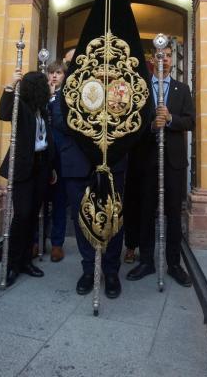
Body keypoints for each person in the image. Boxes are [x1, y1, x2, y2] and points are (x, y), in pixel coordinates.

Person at [51, 78, 127, 298]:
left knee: (114, 217)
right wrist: (90, 124)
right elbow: (58, 118)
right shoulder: (69, 84)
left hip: (111, 161)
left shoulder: (118, 82)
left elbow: (129, 116)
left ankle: (111, 271)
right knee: (81, 218)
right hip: (77, 161)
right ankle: (88, 269)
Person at [126, 45, 195, 287]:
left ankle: (174, 264)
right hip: (146, 160)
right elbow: (132, 122)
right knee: (146, 212)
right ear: (152, 60)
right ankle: (146, 261)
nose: (163, 60)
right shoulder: (141, 89)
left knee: (173, 214)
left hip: (174, 163)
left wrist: (171, 119)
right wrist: (153, 126)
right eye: (159, 56)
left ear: (172, 60)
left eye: (167, 55)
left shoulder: (182, 89)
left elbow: (191, 120)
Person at [0, 69, 54, 287]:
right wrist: (10, 86)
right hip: (23, 166)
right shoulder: (21, 107)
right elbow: (3, 113)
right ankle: (11, 263)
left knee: (33, 216)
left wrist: (51, 167)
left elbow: (47, 140)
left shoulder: (43, 109)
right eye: (46, 84)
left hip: (41, 166)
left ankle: (26, 261)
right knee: (21, 215)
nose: (50, 87)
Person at [45, 60, 69, 262]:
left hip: (60, 155)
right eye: (51, 72)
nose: (54, 76)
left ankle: (57, 243)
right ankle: (36, 239)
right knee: (40, 199)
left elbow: (63, 124)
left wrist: (53, 100)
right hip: (42, 155)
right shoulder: (41, 96)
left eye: (58, 73)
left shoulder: (66, 97)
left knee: (59, 200)